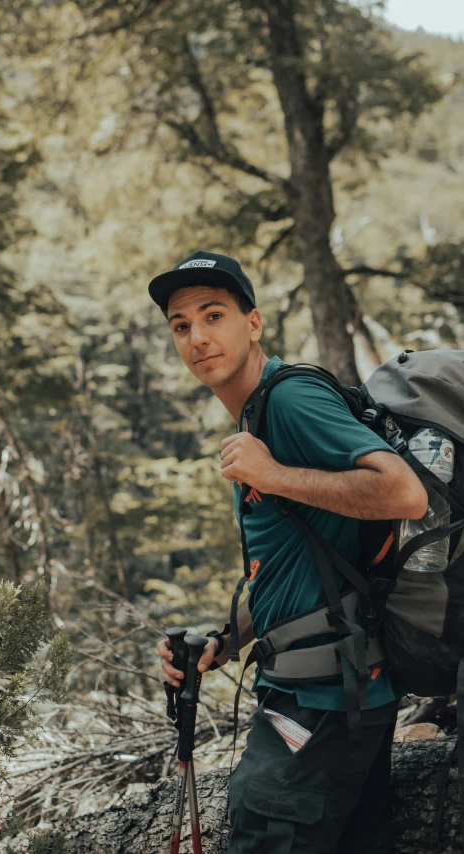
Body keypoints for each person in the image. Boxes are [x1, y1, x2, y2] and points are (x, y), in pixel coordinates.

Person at [150, 250, 428, 854]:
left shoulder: (289, 402)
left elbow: (404, 493)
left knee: (262, 826)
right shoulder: (258, 420)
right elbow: (295, 568)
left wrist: (274, 475)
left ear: (253, 323)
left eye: (213, 315)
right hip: (341, 695)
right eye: (180, 325)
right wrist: (225, 640)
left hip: (320, 704)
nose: (197, 336)